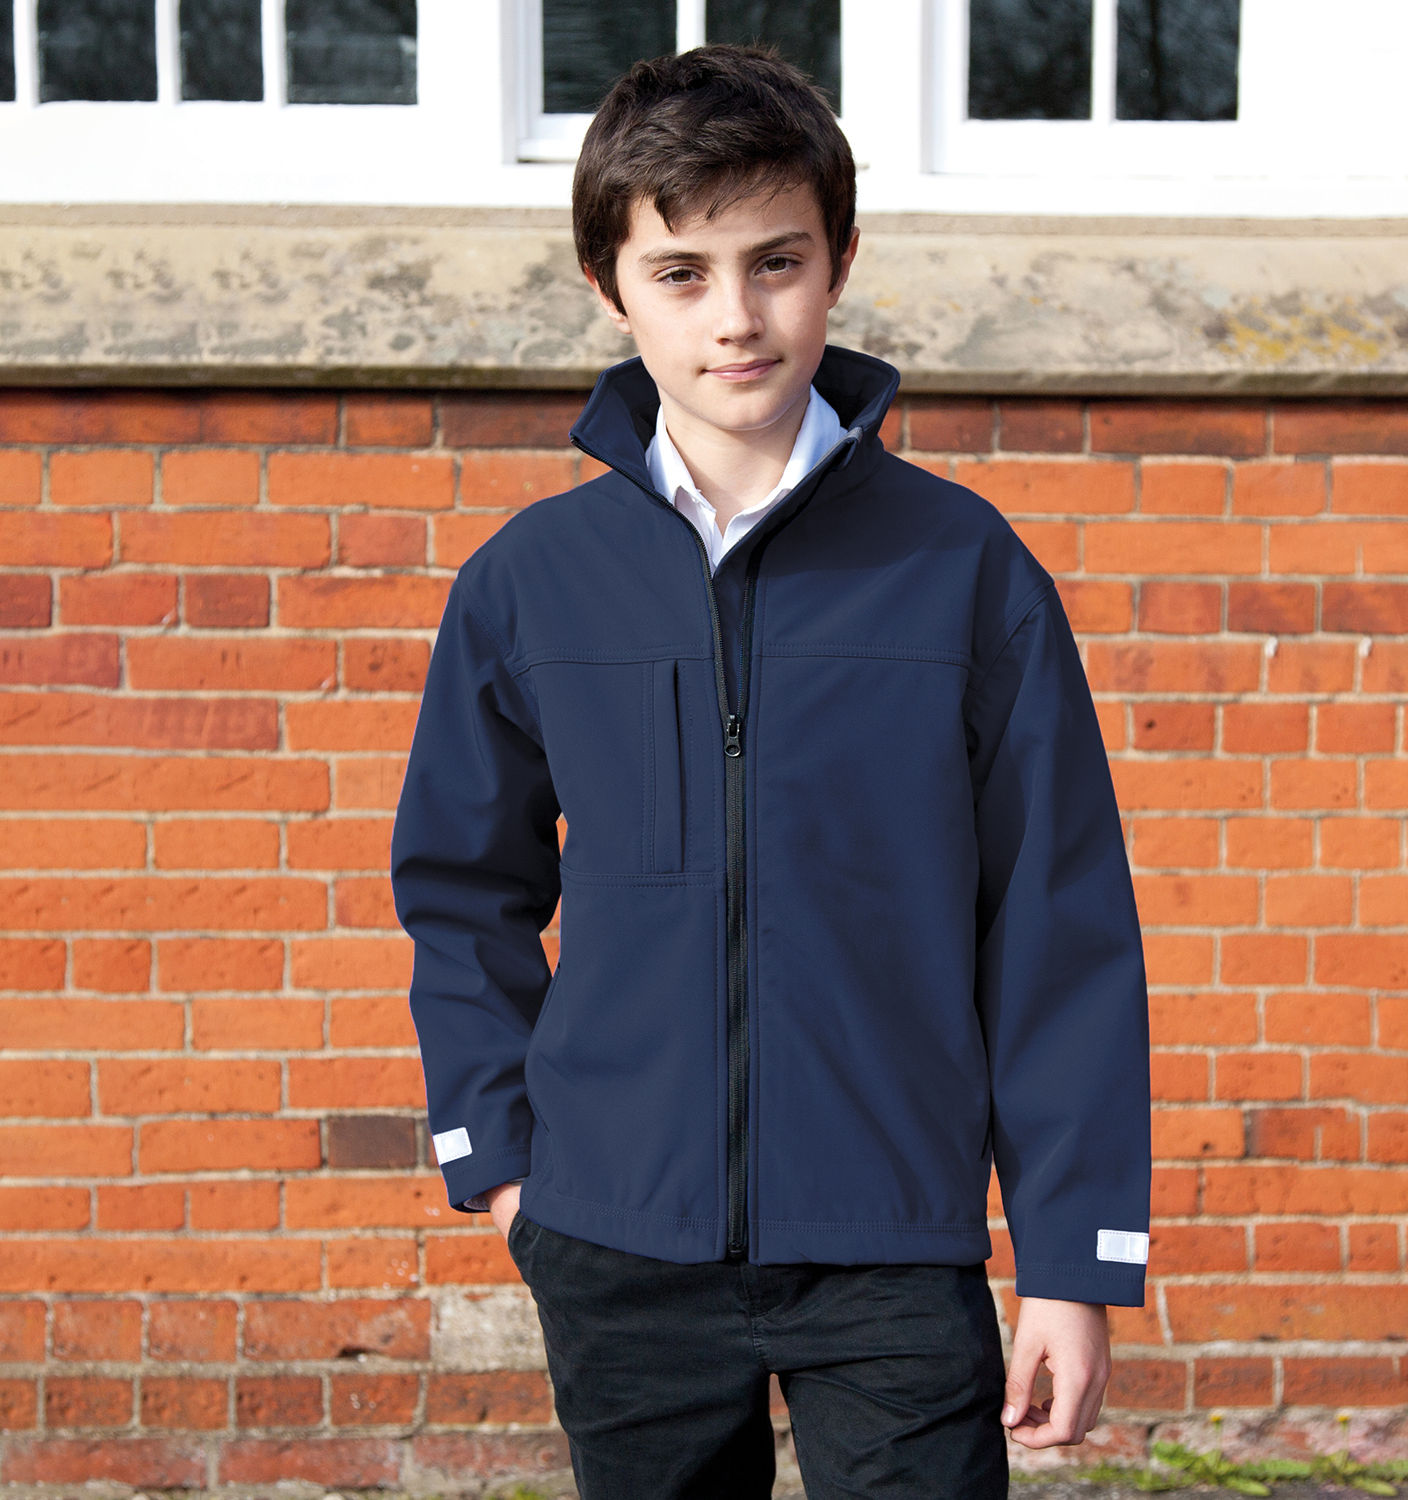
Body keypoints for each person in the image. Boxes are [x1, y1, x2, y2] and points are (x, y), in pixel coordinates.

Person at [390, 41, 1151, 1500]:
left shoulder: (964, 570)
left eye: (776, 263)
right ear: (610, 289)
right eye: (681, 273)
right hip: (617, 1239)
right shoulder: (529, 583)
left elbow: (1059, 924)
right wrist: (502, 1162)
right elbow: (460, 887)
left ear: (840, 263)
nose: (736, 317)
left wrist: (1074, 1258)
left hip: (892, 1240)